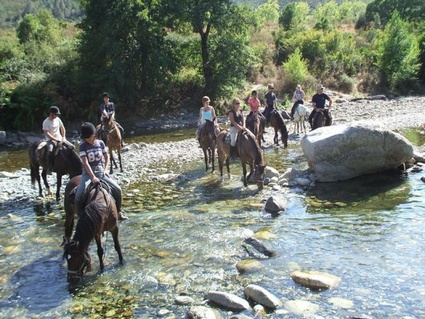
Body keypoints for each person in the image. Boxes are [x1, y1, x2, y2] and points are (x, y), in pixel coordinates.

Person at [75, 122, 128, 221]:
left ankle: (119, 212)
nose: (88, 139)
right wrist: (92, 177)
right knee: (79, 195)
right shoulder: (83, 146)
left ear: (94, 135)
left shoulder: (101, 143)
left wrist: (106, 169)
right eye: (86, 137)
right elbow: (85, 163)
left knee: (118, 189)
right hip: (87, 174)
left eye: (89, 137)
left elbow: (107, 157)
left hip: (101, 171)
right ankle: (80, 217)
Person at [42, 106, 73, 175]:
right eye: (55, 114)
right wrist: (55, 140)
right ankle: (49, 167)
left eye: (56, 114)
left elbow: (62, 128)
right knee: (50, 151)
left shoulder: (58, 119)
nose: (56, 116)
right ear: (51, 113)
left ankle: (71, 164)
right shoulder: (46, 122)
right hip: (50, 140)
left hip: (60, 138)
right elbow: (46, 133)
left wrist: (63, 137)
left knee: (71, 147)